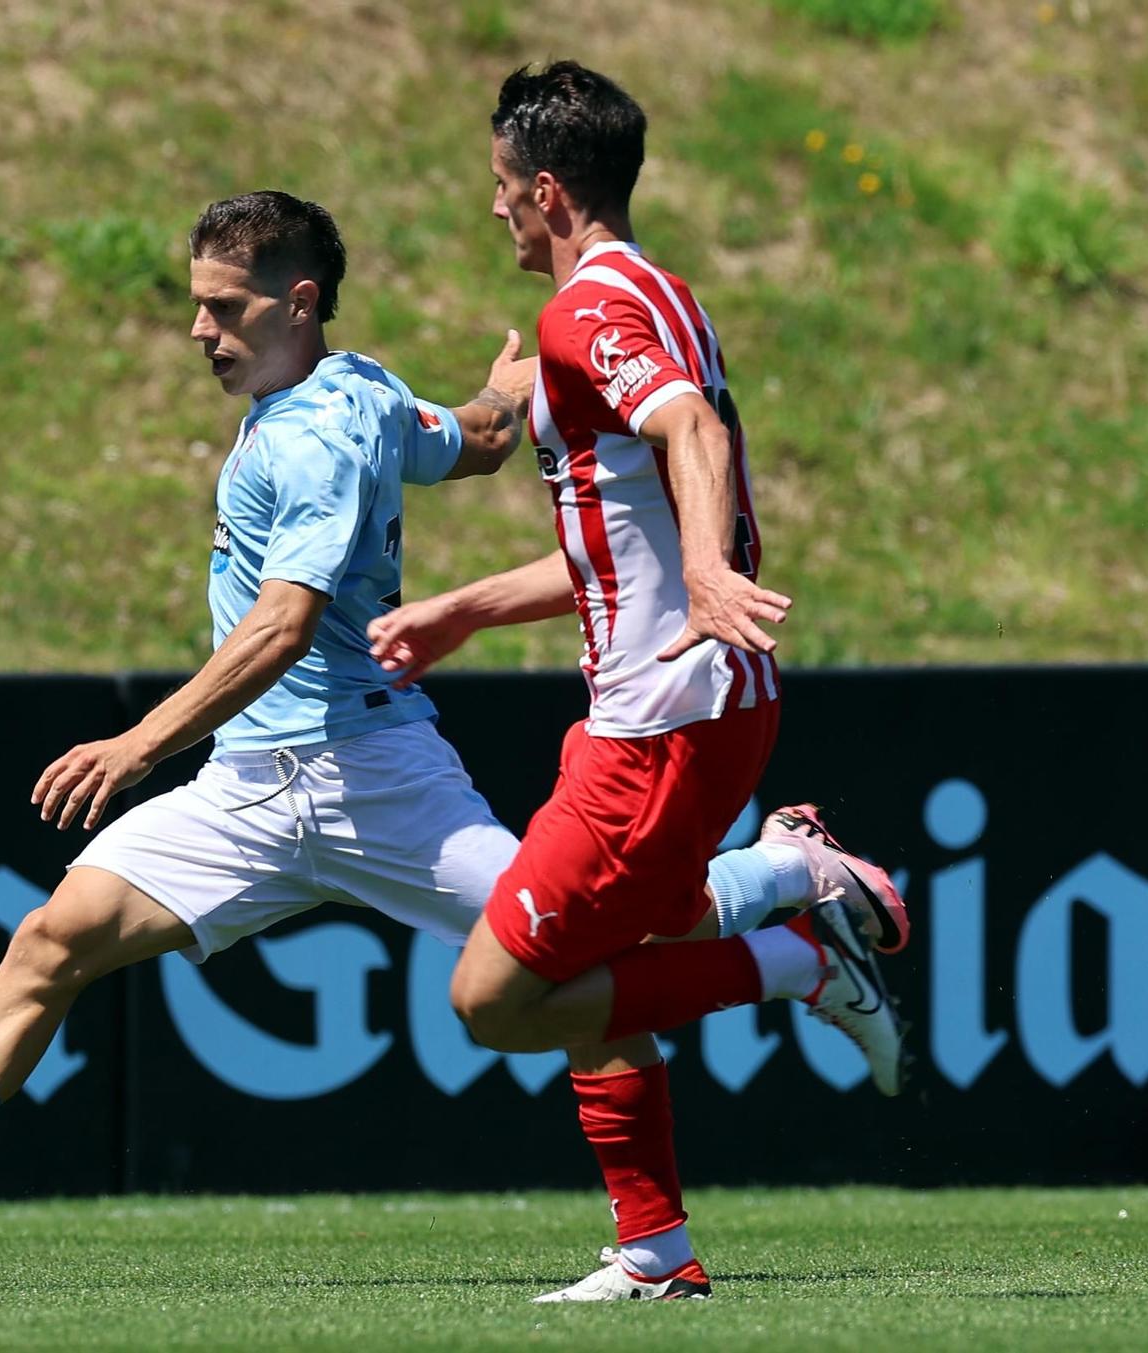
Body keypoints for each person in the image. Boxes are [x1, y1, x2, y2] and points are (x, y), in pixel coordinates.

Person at [0, 189, 898, 1253]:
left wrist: (133, 745)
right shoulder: (357, 391)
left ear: (297, 301)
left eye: (224, 306)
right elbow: (477, 439)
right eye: (193, 304)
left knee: (580, 954)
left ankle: (784, 886)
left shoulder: (312, 434)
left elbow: (282, 626)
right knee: (53, 943)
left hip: (370, 774)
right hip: (250, 789)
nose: (198, 330)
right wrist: (501, 393)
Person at [368, 63, 910, 1303]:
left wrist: (712, 577)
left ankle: (804, 958)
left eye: (503, 191)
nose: (494, 212)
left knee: (500, 997)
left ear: (548, 191)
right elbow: (622, 544)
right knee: (626, 942)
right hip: (694, 704)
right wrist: (461, 608)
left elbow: (689, 434)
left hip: (658, 722)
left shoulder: (581, 315)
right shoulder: (662, 288)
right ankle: (657, 1247)